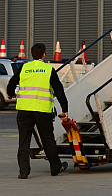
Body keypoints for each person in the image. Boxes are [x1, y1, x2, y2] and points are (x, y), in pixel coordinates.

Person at [7, 43, 69, 179]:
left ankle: (23, 171)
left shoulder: (24, 67)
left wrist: (10, 93)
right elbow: (59, 90)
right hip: (42, 110)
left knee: (24, 141)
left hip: (24, 109)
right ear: (44, 55)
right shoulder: (48, 69)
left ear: (31, 55)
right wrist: (65, 108)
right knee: (48, 139)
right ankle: (55, 167)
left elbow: (12, 82)